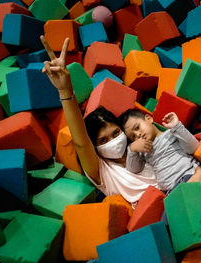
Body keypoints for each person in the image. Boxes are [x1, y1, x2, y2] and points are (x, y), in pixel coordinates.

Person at [40, 36, 158, 207]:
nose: (113, 142)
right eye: (103, 140)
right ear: (95, 147)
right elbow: (81, 142)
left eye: (116, 133)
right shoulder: (102, 171)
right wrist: (65, 89)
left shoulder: (143, 146)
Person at [119, 109, 201, 193]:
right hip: (171, 190)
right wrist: (132, 149)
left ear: (149, 119)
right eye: (133, 137)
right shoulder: (143, 151)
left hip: (188, 176)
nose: (138, 134)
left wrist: (177, 127)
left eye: (137, 127)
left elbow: (193, 147)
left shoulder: (171, 134)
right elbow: (134, 169)